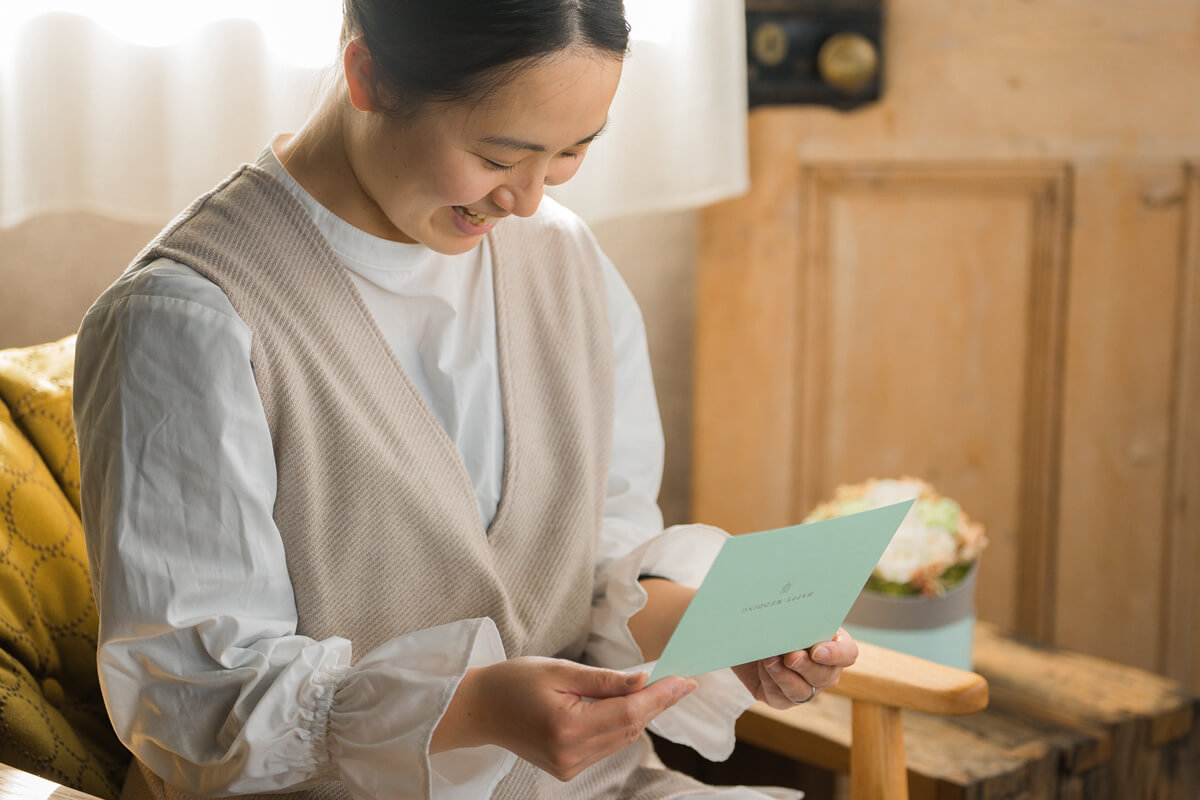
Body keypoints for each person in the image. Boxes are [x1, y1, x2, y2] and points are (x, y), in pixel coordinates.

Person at [73, 2, 859, 798]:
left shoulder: (565, 260)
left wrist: (729, 632)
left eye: (570, 153)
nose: (524, 199)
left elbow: (593, 575)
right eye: (499, 154)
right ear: (368, 76)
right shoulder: (185, 322)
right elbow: (196, 706)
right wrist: (470, 707)